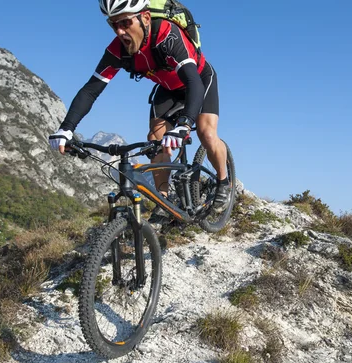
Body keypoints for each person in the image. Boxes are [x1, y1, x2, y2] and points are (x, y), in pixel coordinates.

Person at [48, 0, 231, 228]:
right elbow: (91, 89)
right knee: (155, 141)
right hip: (168, 89)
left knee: (206, 133)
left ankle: (223, 181)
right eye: (114, 25)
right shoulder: (117, 50)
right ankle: (164, 202)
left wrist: (185, 123)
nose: (120, 31)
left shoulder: (167, 35)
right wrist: (67, 127)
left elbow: (193, 81)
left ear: (145, 18)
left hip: (199, 80)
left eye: (125, 22)